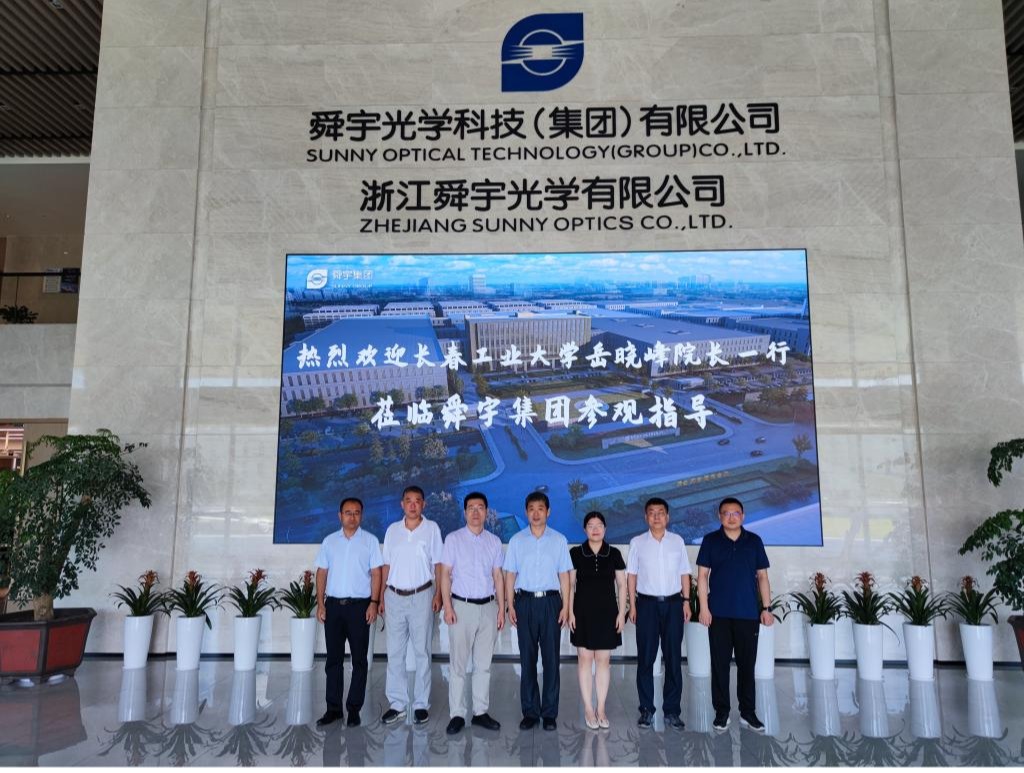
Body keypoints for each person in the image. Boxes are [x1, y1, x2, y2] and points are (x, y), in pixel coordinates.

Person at [697, 496, 773, 732]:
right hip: (718, 614)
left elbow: (762, 576)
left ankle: (748, 712)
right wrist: (704, 608)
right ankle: (721, 713)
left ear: (743, 516)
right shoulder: (710, 541)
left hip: (747, 613)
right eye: (726, 513)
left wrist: (766, 608)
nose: (731, 517)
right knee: (719, 665)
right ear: (719, 516)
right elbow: (702, 576)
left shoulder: (754, 541)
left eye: (736, 513)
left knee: (747, 665)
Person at [503, 491, 572, 731]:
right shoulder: (517, 540)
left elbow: (565, 576)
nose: (535, 513)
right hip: (525, 602)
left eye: (540, 509)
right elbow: (510, 575)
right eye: (531, 509)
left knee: (552, 659)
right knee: (528, 658)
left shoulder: (559, 540)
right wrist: (510, 605)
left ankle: (550, 713)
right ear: (526, 512)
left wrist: (566, 606)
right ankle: (530, 712)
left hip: (551, 603)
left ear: (548, 512)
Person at [314, 496, 383, 727]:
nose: (352, 517)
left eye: (356, 513)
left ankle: (354, 709)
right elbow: (322, 573)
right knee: (333, 660)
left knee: (359, 661)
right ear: (340, 515)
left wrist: (374, 603)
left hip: (359, 607)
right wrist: (321, 603)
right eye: (348, 513)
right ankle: (333, 709)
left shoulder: (370, 541)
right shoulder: (329, 541)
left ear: (361, 515)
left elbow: (376, 574)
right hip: (333, 607)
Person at [440, 491, 505, 736]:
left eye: (480, 507)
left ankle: (480, 712)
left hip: (488, 608)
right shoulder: (453, 539)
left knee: (483, 665)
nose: (476, 512)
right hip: (461, 607)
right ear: (465, 512)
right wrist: (447, 607)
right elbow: (445, 575)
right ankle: (457, 714)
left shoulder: (494, 542)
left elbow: (498, 577)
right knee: (458, 665)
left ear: (486, 512)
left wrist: (501, 609)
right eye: (471, 508)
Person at [380, 485, 444, 725]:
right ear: (402, 504)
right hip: (394, 596)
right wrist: (381, 596)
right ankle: (397, 704)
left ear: (424, 504)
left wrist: (438, 594)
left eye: (418, 500)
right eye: (408, 500)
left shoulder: (432, 529)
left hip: (422, 595)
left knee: (422, 652)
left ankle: (420, 704)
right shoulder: (392, 530)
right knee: (395, 653)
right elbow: (386, 565)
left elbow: (438, 564)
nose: (413, 505)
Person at [626, 497, 692, 730]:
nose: (656, 516)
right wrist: (633, 605)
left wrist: (686, 602)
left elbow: (685, 573)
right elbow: (631, 575)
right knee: (646, 658)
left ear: (668, 517)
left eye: (661, 512)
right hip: (646, 605)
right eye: (652, 513)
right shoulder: (637, 542)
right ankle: (646, 709)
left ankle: (672, 711)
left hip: (674, 604)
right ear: (646, 517)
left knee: (673, 658)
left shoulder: (677, 541)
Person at [568, 511, 626, 730]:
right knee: (584, 659)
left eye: (599, 525)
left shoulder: (614, 553)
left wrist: (621, 613)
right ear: (584, 529)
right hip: (582, 612)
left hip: (607, 613)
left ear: (605, 529)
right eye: (591, 525)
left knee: (603, 660)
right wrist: (570, 612)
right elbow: (570, 585)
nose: (595, 529)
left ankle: (600, 708)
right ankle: (588, 709)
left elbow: (622, 585)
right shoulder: (576, 553)